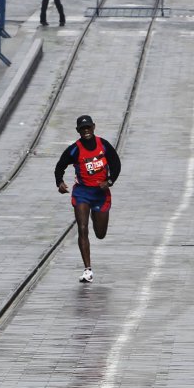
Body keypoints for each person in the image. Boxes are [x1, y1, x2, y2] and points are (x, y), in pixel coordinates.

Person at [54, 115, 121, 283]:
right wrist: (60, 183)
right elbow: (59, 166)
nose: (86, 131)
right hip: (82, 193)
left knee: (100, 234)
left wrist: (110, 181)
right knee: (82, 228)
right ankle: (87, 270)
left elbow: (116, 164)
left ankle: (95, 214)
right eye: (82, 129)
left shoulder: (103, 145)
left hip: (100, 195)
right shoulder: (74, 150)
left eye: (88, 128)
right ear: (78, 131)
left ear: (94, 128)